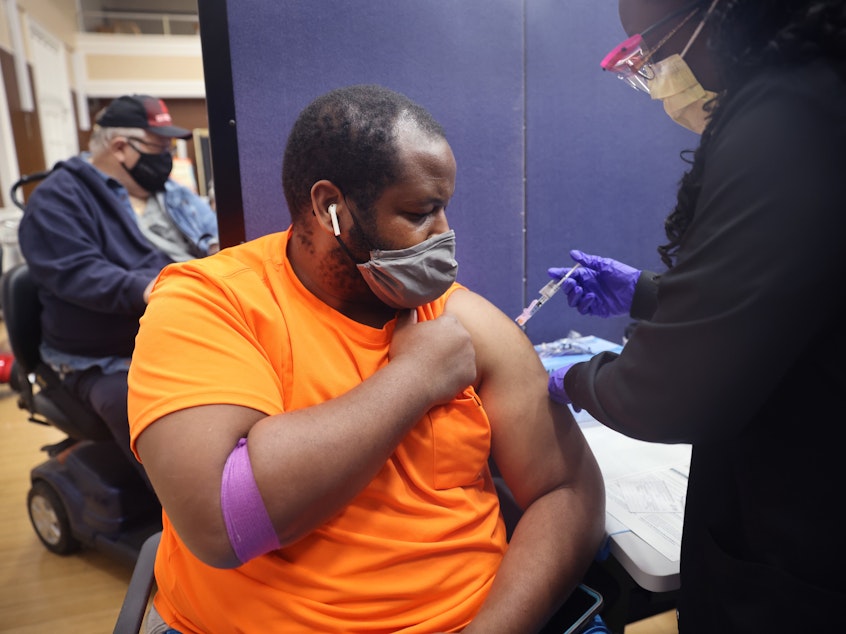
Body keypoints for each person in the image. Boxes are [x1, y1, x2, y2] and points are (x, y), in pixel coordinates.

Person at [127, 84, 606, 634]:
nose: (445, 236)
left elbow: (569, 489)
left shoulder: (457, 320)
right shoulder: (211, 304)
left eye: (444, 207)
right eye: (420, 212)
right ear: (331, 208)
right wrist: (415, 377)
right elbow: (224, 521)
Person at [546, 1, 846, 632]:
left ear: (721, 11)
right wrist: (645, 294)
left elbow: (668, 394)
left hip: (801, 553)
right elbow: (792, 294)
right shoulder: (819, 91)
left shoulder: (787, 116)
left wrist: (569, 378)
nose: (653, 69)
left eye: (647, 49)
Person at [17, 94, 219, 487]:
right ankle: (190, 514)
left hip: (183, 333)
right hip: (103, 357)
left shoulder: (170, 193)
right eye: (159, 148)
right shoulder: (58, 198)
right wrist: (156, 288)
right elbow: (78, 273)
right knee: (154, 420)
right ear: (121, 148)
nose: (166, 157)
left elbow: (213, 241)